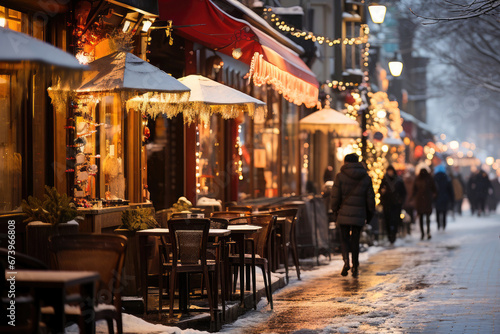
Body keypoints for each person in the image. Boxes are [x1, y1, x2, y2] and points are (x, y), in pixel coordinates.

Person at [331, 153, 375, 277]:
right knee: (355, 240)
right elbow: (370, 199)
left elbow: (335, 196)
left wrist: (335, 211)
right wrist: (370, 214)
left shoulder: (340, 176)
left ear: (345, 162)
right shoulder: (365, 177)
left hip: (343, 213)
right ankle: (355, 266)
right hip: (359, 214)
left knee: (344, 239)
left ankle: (346, 262)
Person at [380, 165, 407, 245]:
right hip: (387, 203)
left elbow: (403, 192)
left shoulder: (398, 180)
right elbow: (380, 190)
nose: (390, 173)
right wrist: (382, 193)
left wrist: (400, 200)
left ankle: (393, 235)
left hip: (396, 204)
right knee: (387, 220)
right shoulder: (384, 180)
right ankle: (389, 236)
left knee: (395, 220)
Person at [412, 166, 437, 240]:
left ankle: (424, 233)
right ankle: (426, 232)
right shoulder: (429, 178)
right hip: (426, 200)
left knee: (423, 218)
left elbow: (414, 190)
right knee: (425, 218)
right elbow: (434, 189)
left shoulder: (418, 179)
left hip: (421, 200)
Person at [433, 164, 453, 231]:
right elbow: (450, 189)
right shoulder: (446, 178)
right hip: (445, 197)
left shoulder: (434, 178)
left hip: (437, 197)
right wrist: (452, 198)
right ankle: (444, 225)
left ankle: (438, 225)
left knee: (438, 211)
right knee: (444, 212)